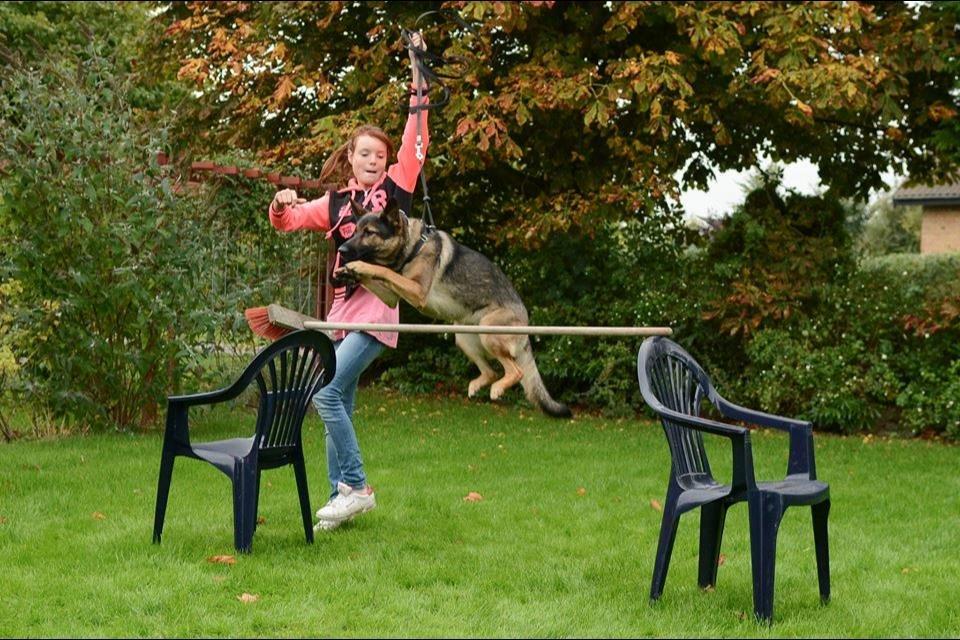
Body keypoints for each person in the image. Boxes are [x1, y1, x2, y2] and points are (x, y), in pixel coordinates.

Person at [268, 32, 429, 531]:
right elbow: (287, 221)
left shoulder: (397, 190)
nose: (374, 159)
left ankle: (357, 487)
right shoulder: (336, 204)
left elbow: (416, 135)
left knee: (325, 393)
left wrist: (417, 68)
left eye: (380, 154)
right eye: (365, 153)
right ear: (351, 157)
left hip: (377, 311)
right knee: (340, 401)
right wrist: (279, 204)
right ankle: (340, 499)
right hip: (338, 317)